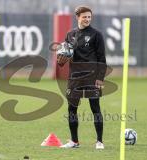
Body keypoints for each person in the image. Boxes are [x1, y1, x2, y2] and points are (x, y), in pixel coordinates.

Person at [57, 6, 107, 149]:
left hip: (92, 77)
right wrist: (61, 61)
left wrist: (100, 78)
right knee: (71, 109)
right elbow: (64, 57)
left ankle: (99, 142)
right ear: (77, 17)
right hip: (75, 78)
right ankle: (74, 141)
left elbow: (102, 58)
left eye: (89, 17)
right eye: (84, 17)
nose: (87, 19)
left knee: (95, 108)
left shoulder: (96, 35)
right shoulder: (70, 34)